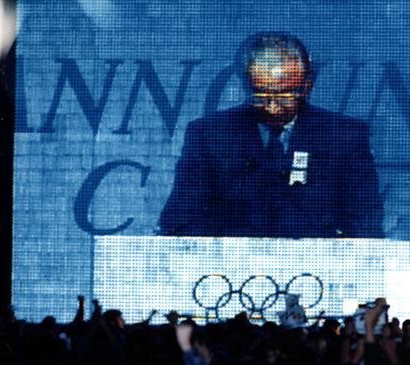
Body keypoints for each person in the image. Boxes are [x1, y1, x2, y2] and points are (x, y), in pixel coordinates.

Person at [158, 32, 384, 238]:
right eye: (261, 95)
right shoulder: (210, 134)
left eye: (286, 96)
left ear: (307, 86)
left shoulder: (344, 137)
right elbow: (182, 217)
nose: (273, 107)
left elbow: (365, 224)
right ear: (247, 84)